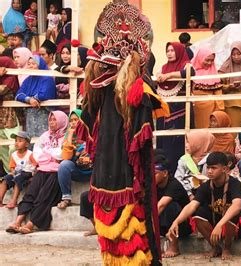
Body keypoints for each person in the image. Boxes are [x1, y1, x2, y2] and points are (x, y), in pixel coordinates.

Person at [76, 3, 167, 263]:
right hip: (115, 165)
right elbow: (88, 114)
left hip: (119, 166)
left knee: (130, 215)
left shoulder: (133, 88)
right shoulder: (104, 89)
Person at [168, 152, 241, 260]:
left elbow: (237, 206)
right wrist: (176, 221)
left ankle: (227, 248)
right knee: (198, 214)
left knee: (232, 215)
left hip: (237, 225)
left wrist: (220, 225)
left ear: (225, 169)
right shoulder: (206, 186)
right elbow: (192, 205)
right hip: (216, 222)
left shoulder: (234, 183)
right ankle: (215, 247)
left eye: (214, 168)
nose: (209, 171)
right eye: (208, 168)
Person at [5, 111, 68, 234]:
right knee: (30, 194)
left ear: (61, 121)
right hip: (42, 169)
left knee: (44, 197)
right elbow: (37, 154)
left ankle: (30, 224)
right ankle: (18, 221)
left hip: (56, 172)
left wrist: (48, 151)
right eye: (50, 120)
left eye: (55, 120)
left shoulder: (66, 137)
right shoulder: (45, 135)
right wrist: (51, 154)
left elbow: (61, 155)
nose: (52, 122)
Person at [157, 47, 224, 128]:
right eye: (207, 60)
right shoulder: (190, 69)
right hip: (192, 109)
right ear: (200, 58)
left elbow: (218, 95)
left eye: (212, 60)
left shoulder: (214, 73)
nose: (209, 63)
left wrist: (219, 111)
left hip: (209, 112)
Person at [155, 42, 192, 172]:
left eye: (172, 50)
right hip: (163, 113)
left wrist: (169, 75)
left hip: (179, 114)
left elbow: (189, 73)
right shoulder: (163, 67)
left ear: (179, 51)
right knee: (163, 143)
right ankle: (162, 171)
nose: (169, 53)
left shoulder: (186, 65)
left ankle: (177, 172)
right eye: (168, 51)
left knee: (176, 144)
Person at [154, 151, 191, 258]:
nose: (152, 176)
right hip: (161, 223)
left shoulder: (174, 184)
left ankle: (174, 245)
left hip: (182, 225)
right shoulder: (152, 185)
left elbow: (160, 206)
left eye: (155, 173)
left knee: (171, 206)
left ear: (165, 173)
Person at [56, 109, 92, 209]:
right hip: (78, 171)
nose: (73, 122)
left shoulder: (91, 133)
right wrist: (70, 136)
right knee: (64, 165)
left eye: (76, 120)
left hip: (94, 171)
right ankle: (66, 198)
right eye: (71, 120)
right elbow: (66, 157)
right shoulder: (68, 137)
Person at [15, 55, 56, 138]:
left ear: (40, 65)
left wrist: (33, 98)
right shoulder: (28, 80)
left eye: (33, 64)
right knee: (31, 140)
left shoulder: (47, 78)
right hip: (30, 116)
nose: (30, 66)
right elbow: (18, 95)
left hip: (44, 114)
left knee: (43, 139)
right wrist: (29, 99)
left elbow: (44, 94)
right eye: (29, 64)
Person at [0, 131, 36, 208]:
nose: (17, 143)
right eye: (16, 140)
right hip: (17, 173)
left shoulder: (30, 154)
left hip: (27, 173)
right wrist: (13, 172)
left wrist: (34, 174)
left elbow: (36, 165)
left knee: (18, 178)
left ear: (27, 144)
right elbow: (12, 167)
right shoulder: (14, 155)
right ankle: (0, 201)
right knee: (5, 179)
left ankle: (13, 201)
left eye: (20, 141)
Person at [175, 131, 215, 199]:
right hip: (186, 196)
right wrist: (189, 194)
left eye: (189, 142)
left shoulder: (212, 160)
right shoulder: (184, 160)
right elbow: (178, 179)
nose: (186, 145)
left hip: (209, 196)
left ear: (199, 144)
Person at [0, 56, 21, 173]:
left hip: (10, 116)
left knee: (14, 145)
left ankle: (16, 172)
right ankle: (9, 174)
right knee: (1, 148)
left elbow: (2, 89)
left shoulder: (10, 77)